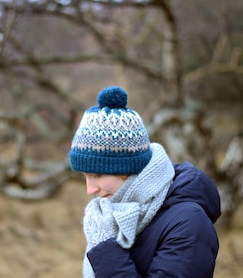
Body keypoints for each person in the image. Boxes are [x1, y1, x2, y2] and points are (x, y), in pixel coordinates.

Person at [69, 86, 221, 278]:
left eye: (97, 175)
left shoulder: (189, 224)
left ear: (127, 168)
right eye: (85, 176)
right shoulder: (115, 215)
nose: (90, 189)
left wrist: (105, 249)